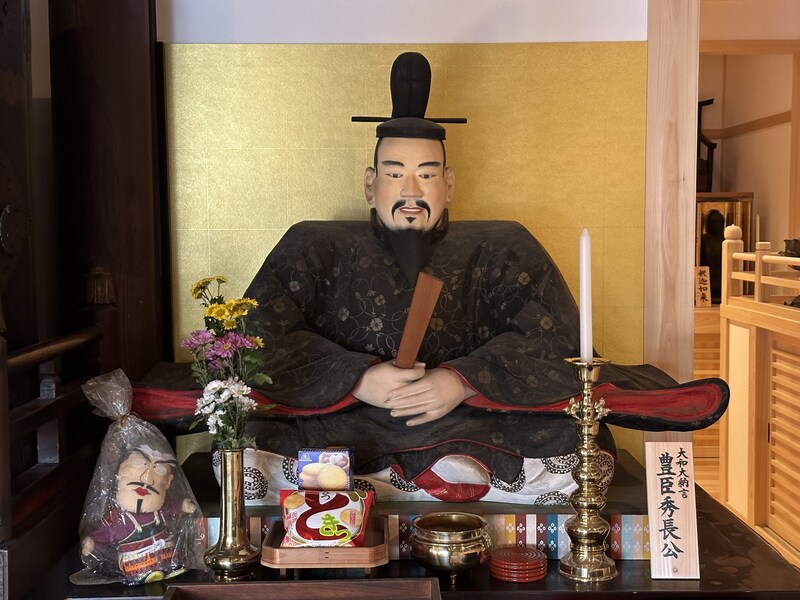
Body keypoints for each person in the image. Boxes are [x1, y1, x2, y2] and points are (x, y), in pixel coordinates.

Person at [135, 52, 727, 504]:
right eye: (395, 173)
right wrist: (357, 377)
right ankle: (427, 479)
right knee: (247, 444)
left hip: (467, 418)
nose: (411, 190)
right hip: (343, 414)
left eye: (426, 173)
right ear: (370, 183)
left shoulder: (502, 245)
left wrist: (461, 381)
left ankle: (364, 483)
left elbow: (557, 341)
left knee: (574, 447)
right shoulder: (314, 244)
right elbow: (255, 343)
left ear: (450, 183)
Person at [79, 445, 198, 584]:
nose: (147, 480)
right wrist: (92, 541)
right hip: (136, 564)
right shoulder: (118, 519)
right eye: (141, 464)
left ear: (168, 483)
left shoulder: (160, 511)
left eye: (158, 469)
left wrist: (183, 505)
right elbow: (105, 532)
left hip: (166, 556)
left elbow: (172, 507)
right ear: (120, 474)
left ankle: (168, 568)